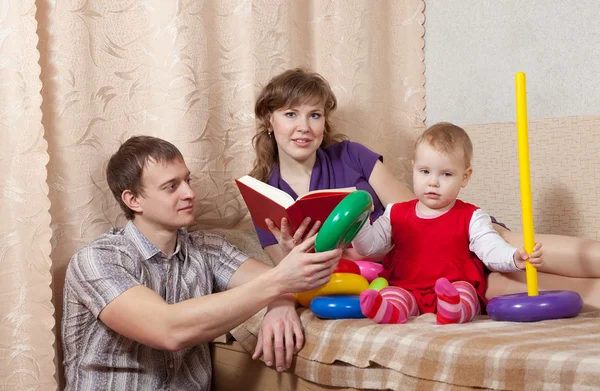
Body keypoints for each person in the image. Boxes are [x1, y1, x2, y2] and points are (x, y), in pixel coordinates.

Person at [248, 67, 600, 312]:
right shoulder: (265, 195)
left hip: (449, 232)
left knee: (546, 252)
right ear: (269, 119)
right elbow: (290, 281)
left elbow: (414, 209)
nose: (305, 126)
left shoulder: (352, 156)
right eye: (291, 114)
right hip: (401, 277)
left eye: (315, 115)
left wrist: (475, 234)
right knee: (544, 290)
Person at [61, 136, 342, 390]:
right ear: (133, 200)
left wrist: (280, 301)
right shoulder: (97, 260)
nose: (189, 193)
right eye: (171, 186)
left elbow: (279, 279)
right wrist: (280, 283)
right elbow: (168, 329)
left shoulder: (207, 248)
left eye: (187, 180)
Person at [351, 122, 543, 324]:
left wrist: (513, 257)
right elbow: (368, 247)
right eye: (425, 171)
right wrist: (359, 221)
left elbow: (490, 248)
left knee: (465, 295)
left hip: (454, 286)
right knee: (393, 295)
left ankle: (452, 309)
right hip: (407, 287)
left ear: (465, 177)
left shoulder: (472, 216)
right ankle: (389, 311)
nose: (433, 182)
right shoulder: (395, 213)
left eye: (447, 174)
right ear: (413, 168)